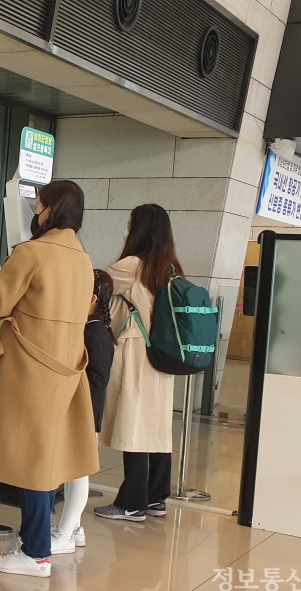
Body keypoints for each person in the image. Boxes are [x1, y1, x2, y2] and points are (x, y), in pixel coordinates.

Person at [0, 180, 99, 577]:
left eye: (38, 205)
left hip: (28, 367)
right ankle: (31, 536)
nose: (35, 211)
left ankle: (36, 554)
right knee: (44, 455)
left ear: (51, 210)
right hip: (63, 368)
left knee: (31, 458)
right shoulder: (82, 259)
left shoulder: (32, 253)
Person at [0, 268, 115, 557]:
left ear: (92, 298)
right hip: (76, 408)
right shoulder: (84, 325)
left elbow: (98, 378)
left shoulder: (94, 330)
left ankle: (67, 532)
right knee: (68, 471)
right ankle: (70, 530)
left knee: (76, 474)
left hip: (85, 411)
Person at [95, 203, 181, 522]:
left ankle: (131, 503)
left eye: (130, 222)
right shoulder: (170, 267)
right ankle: (156, 497)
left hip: (136, 353)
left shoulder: (133, 264)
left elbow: (96, 283)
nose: (126, 228)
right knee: (155, 427)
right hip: (161, 357)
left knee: (134, 425)